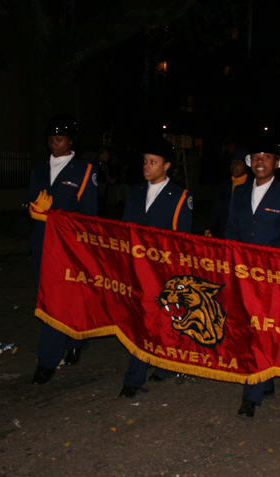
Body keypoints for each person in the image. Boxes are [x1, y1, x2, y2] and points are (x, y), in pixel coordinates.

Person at [224, 137, 280, 419]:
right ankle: (265, 379)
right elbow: (231, 229)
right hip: (243, 272)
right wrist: (238, 255)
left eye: (266, 157)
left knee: (263, 328)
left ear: (277, 163)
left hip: (273, 273)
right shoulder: (239, 192)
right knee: (248, 328)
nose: (260, 162)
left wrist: (266, 256)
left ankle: (252, 394)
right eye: (255, 157)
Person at [118, 138, 193, 397]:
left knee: (163, 321)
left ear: (167, 166)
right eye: (145, 161)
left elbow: (182, 241)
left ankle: (165, 363)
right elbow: (126, 231)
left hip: (163, 271)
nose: (147, 166)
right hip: (139, 269)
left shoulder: (181, 196)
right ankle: (133, 379)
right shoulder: (135, 191)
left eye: (153, 162)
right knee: (140, 321)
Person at [29, 114, 98, 386]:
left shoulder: (84, 171)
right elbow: (32, 201)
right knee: (48, 298)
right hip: (41, 243)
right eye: (50, 139)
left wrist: (54, 217)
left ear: (70, 141)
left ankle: (47, 361)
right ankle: (75, 338)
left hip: (68, 248)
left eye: (59, 139)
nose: (54, 144)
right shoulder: (39, 169)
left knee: (54, 303)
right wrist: (35, 213)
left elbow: (89, 215)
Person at [205, 146, 250, 238]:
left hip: (245, 237)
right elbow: (216, 211)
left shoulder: (252, 186)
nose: (234, 166)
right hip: (225, 235)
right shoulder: (224, 186)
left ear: (246, 166)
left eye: (238, 162)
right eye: (232, 162)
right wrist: (209, 230)